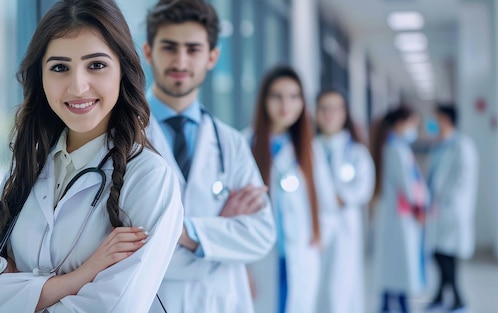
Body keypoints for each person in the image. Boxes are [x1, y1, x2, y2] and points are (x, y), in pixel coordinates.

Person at [0, 1, 184, 312]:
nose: (77, 86)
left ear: (122, 70)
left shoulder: (149, 178)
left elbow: (113, 307)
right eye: (60, 67)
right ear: (41, 78)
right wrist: (75, 280)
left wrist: (10, 296)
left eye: (96, 65)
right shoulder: (29, 167)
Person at [142, 0, 276, 312]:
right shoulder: (123, 139)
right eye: (169, 47)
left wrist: (183, 232)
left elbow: (261, 234)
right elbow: (126, 246)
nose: (180, 60)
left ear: (212, 57)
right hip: (153, 302)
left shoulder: (232, 143)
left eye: (193, 49)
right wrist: (219, 237)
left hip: (222, 302)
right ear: (148, 52)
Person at [247, 65, 339, 313]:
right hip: (260, 259)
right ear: (264, 100)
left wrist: (319, 239)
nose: (285, 105)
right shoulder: (245, 145)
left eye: (294, 96)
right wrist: (243, 267)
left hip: (301, 254)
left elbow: (328, 206)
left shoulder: (310, 149)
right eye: (277, 96)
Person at [315, 89, 375, 313]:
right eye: (324, 108)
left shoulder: (357, 152)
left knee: (341, 286)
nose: (329, 114)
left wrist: (333, 199)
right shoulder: (308, 149)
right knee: (315, 287)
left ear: (345, 113)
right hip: (315, 228)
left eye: (336, 108)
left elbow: (362, 190)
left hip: (344, 229)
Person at [370, 105, 429, 313]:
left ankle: (390, 303)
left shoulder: (393, 145)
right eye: (413, 123)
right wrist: (420, 207)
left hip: (395, 214)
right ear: (401, 123)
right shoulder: (395, 148)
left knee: (394, 262)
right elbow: (407, 184)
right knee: (400, 262)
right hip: (400, 216)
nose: (414, 128)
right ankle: (397, 305)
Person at [425, 104, 478, 313]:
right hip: (438, 210)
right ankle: (443, 296)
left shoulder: (463, 145)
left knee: (446, 255)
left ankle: (457, 299)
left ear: (445, 120)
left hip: (451, 211)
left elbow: (463, 180)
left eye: (435, 119)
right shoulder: (440, 145)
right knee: (439, 252)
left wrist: (443, 202)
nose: (433, 124)